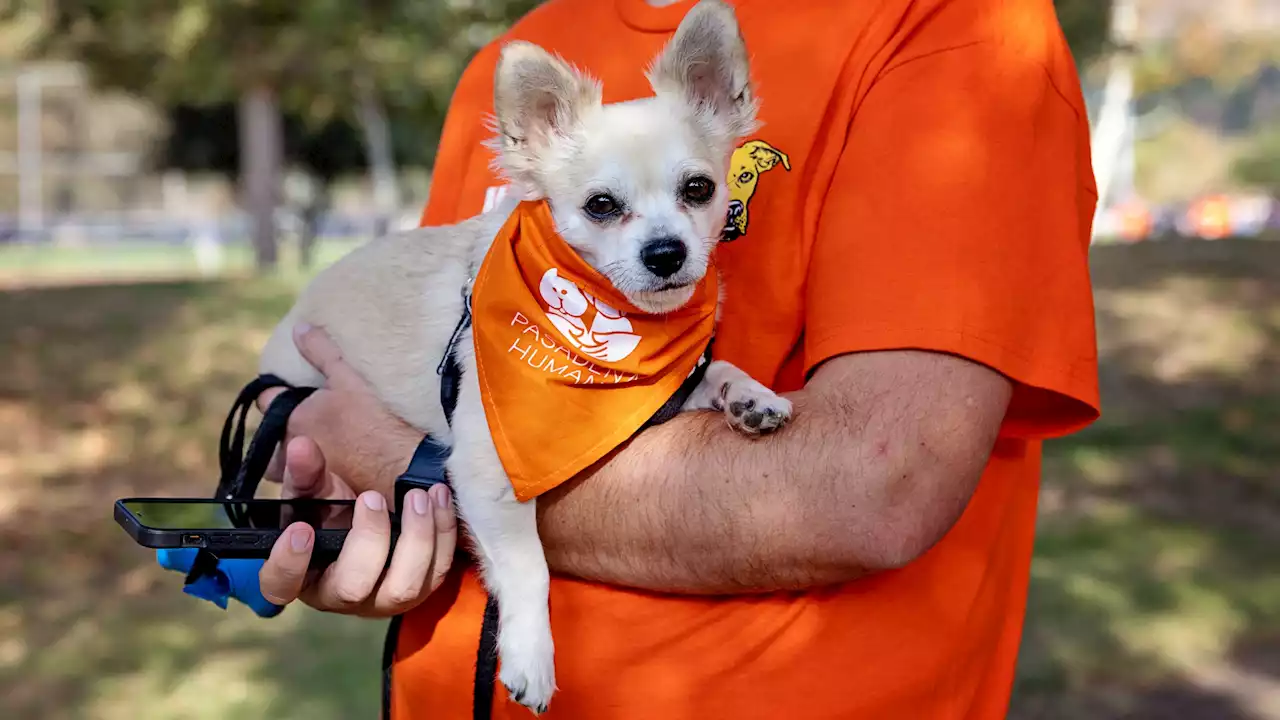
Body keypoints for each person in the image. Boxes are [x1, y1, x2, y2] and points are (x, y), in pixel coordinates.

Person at [256, 0, 1101, 716]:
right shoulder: (509, 61)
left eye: (697, 191)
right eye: (604, 209)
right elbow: (405, 390)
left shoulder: (948, 25)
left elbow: (878, 482)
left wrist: (419, 467)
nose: (662, 239)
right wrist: (364, 523)